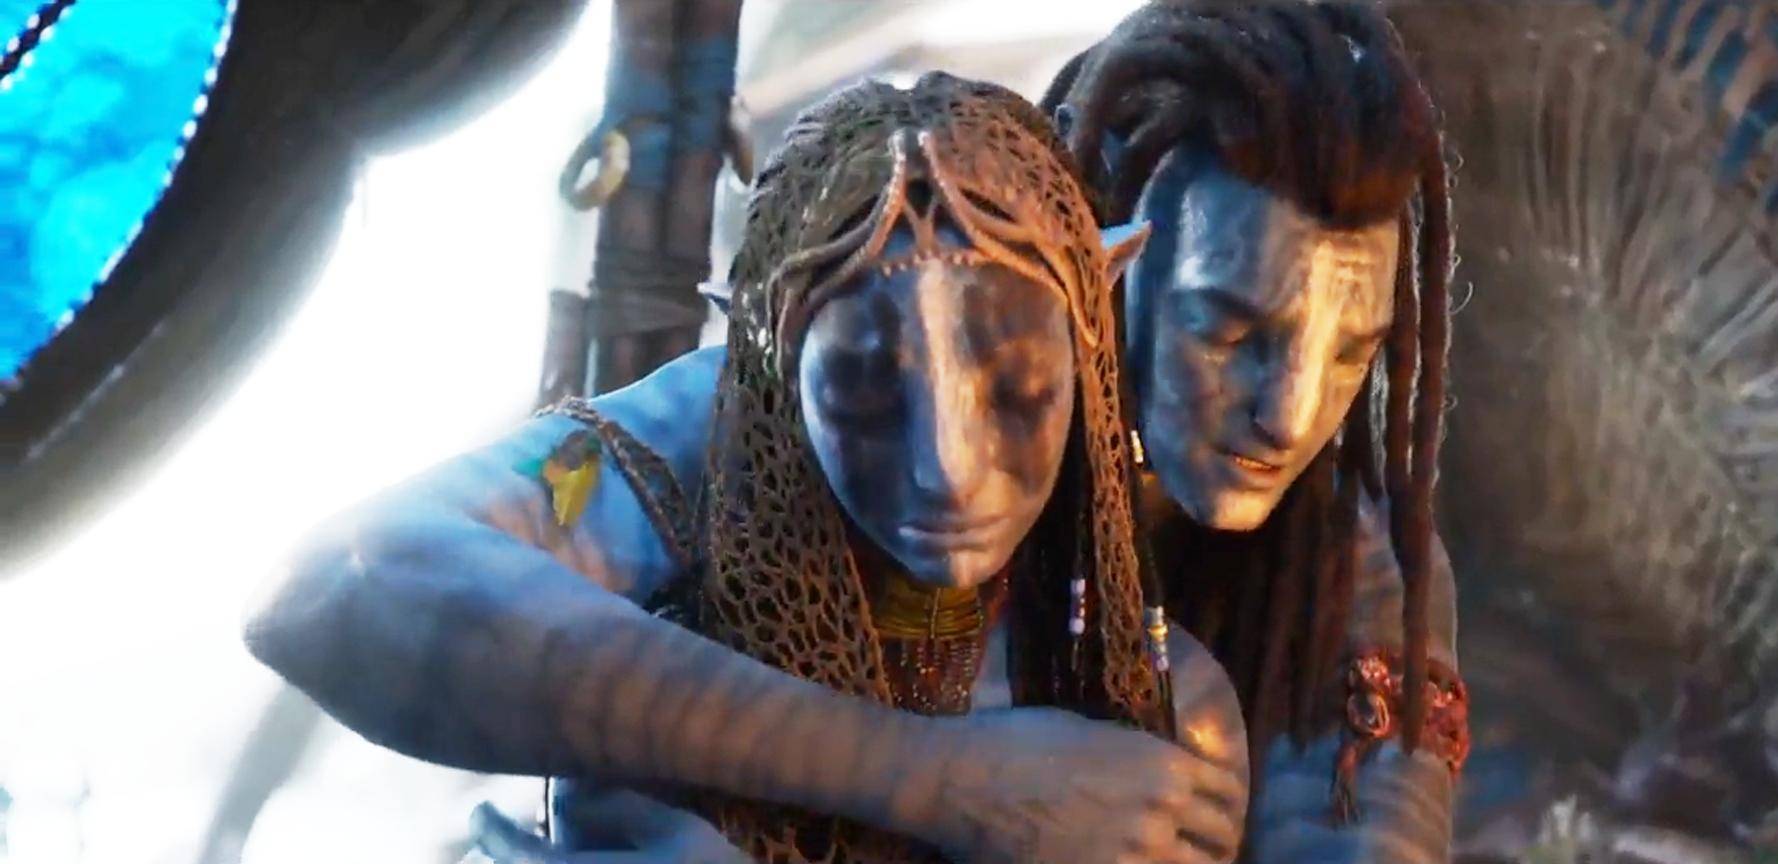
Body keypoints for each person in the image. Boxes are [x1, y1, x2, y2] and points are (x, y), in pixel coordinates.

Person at [247, 73, 1247, 864]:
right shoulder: (707, 435)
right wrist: (933, 777)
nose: (949, 471)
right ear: (764, 364)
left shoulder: (1162, 709)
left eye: (1020, 392)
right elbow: (334, 589)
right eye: (863, 397)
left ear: (1093, 328)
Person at [1041, 2, 1465, 859]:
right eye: (1230, 333)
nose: (1290, 418)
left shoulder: (1362, 567)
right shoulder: (921, 460)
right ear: (1099, 262)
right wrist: (941, 777)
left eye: (1350, 355)